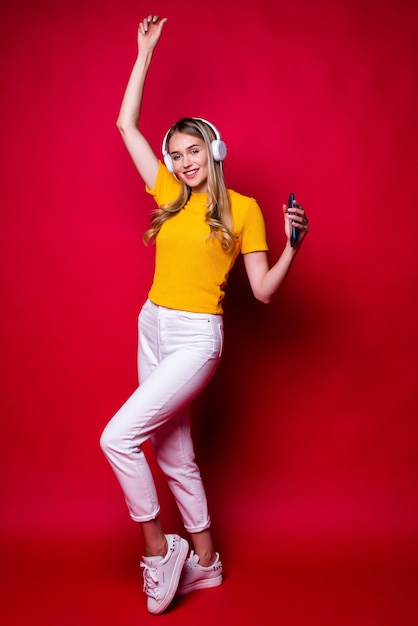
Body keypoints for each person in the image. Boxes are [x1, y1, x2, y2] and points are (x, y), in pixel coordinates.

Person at [100, 14, 309, 616]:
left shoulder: (244, 211)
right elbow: (125, 124)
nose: (184, 162)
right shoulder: (169, 195)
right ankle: (208, 562)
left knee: (118, 437)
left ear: (214, 151)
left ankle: (157, 549)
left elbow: (263, 290)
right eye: (176, 154)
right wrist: (144, 55)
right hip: (153, 325)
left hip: (196, 338)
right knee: (171, 449)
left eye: (193, 151)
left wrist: (294, 246)